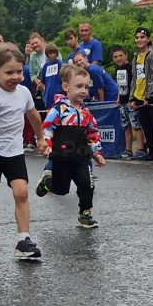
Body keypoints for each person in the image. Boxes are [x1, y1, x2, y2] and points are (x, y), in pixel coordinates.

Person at [0, 44, 48, 259]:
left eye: (19, 72)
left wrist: (41, 138)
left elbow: (33, 116)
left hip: (14, 152)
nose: (15, 77)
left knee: (21, 192)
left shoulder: (24, 92)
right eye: (9, 72)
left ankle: (24, 240)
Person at [37, 65, 105, 229]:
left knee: (87, 185)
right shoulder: (59, 109)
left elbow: (92, 132)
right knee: (61, 189)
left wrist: (96, 152)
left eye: (87, 87)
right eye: (79, 86)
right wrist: (46, 145)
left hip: (82, 156)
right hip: (62, 156)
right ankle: (47, 181)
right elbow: (46, 127)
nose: (83, 91)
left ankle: (84, 214)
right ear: (66, 86)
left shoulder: (86, 112)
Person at [129, 28, 153, 161]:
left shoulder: (152, 55)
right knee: (146, 126)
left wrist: (149, 96)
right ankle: (151, 151)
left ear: (149, 39)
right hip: (139, 97)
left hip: (152, 96)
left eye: (142, 37)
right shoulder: (135, 57)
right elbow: (134, 78)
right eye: (137, 37)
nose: (139, 40)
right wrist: (132, 97)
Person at [111, 46, 143, 158]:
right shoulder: (118, 70)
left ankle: (141, 149)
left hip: (131, 101)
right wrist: (118, 98)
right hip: (122, 101)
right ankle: (128, 150)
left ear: (126, 55)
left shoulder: (130, 67)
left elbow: (135, 84)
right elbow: (120, 85)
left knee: (136, 125)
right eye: (115, 57)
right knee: (126, 126)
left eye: (120, 55)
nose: (118, 58)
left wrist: (133, 99)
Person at [41, 42, 64, 108]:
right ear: (47, 54)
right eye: (50, 53)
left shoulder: (61, 64)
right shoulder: (46, 66)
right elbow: (42, 81)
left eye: (54, 53)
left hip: (59, 96)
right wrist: (45, 90)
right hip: (48, 97)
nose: (52, 55)